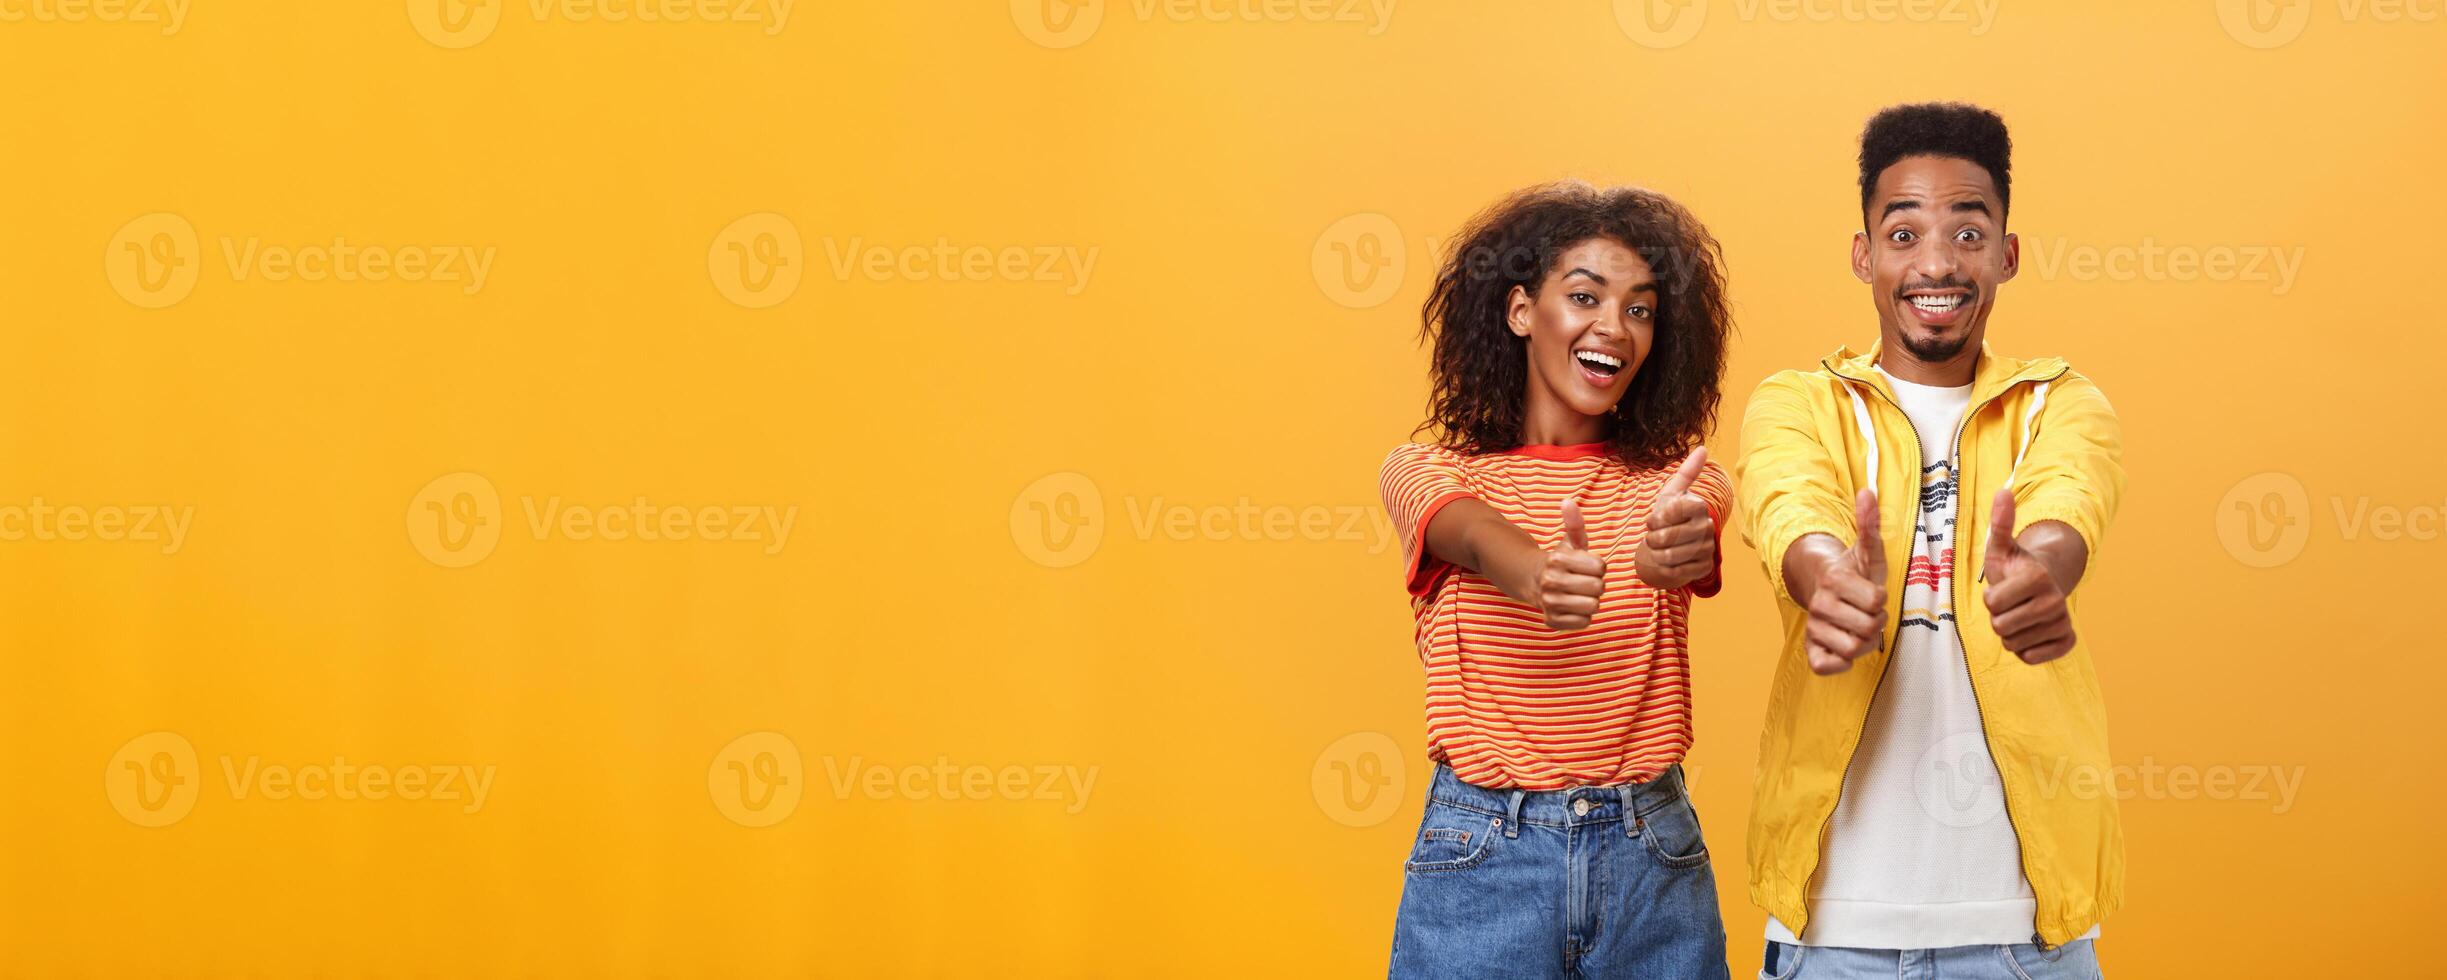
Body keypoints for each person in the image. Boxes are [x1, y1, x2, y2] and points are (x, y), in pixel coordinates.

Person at [1735, 102, 2126, 979]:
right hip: (1830, 935)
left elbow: (2072, 497)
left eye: (1967, 232)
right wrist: (1824, 577)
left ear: (2006, 256)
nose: (1937, 264)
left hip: (2028, 937)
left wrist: (2045, 568)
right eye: (1903, 233)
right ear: (1863, 255)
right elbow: (1785, 503)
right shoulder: (1799, 404)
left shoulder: (2059, 404)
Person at [1378, 181, 1735, 979]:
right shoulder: (1424, 470)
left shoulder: (1678, 484)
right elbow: (1466, 532)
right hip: (1482, 855)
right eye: (1584, 296)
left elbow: (1691, 533)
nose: (1614, 327)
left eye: (1640, 309)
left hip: (1651, 854)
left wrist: (1674, 548)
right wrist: (1535, 572)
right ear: (1517, 312)